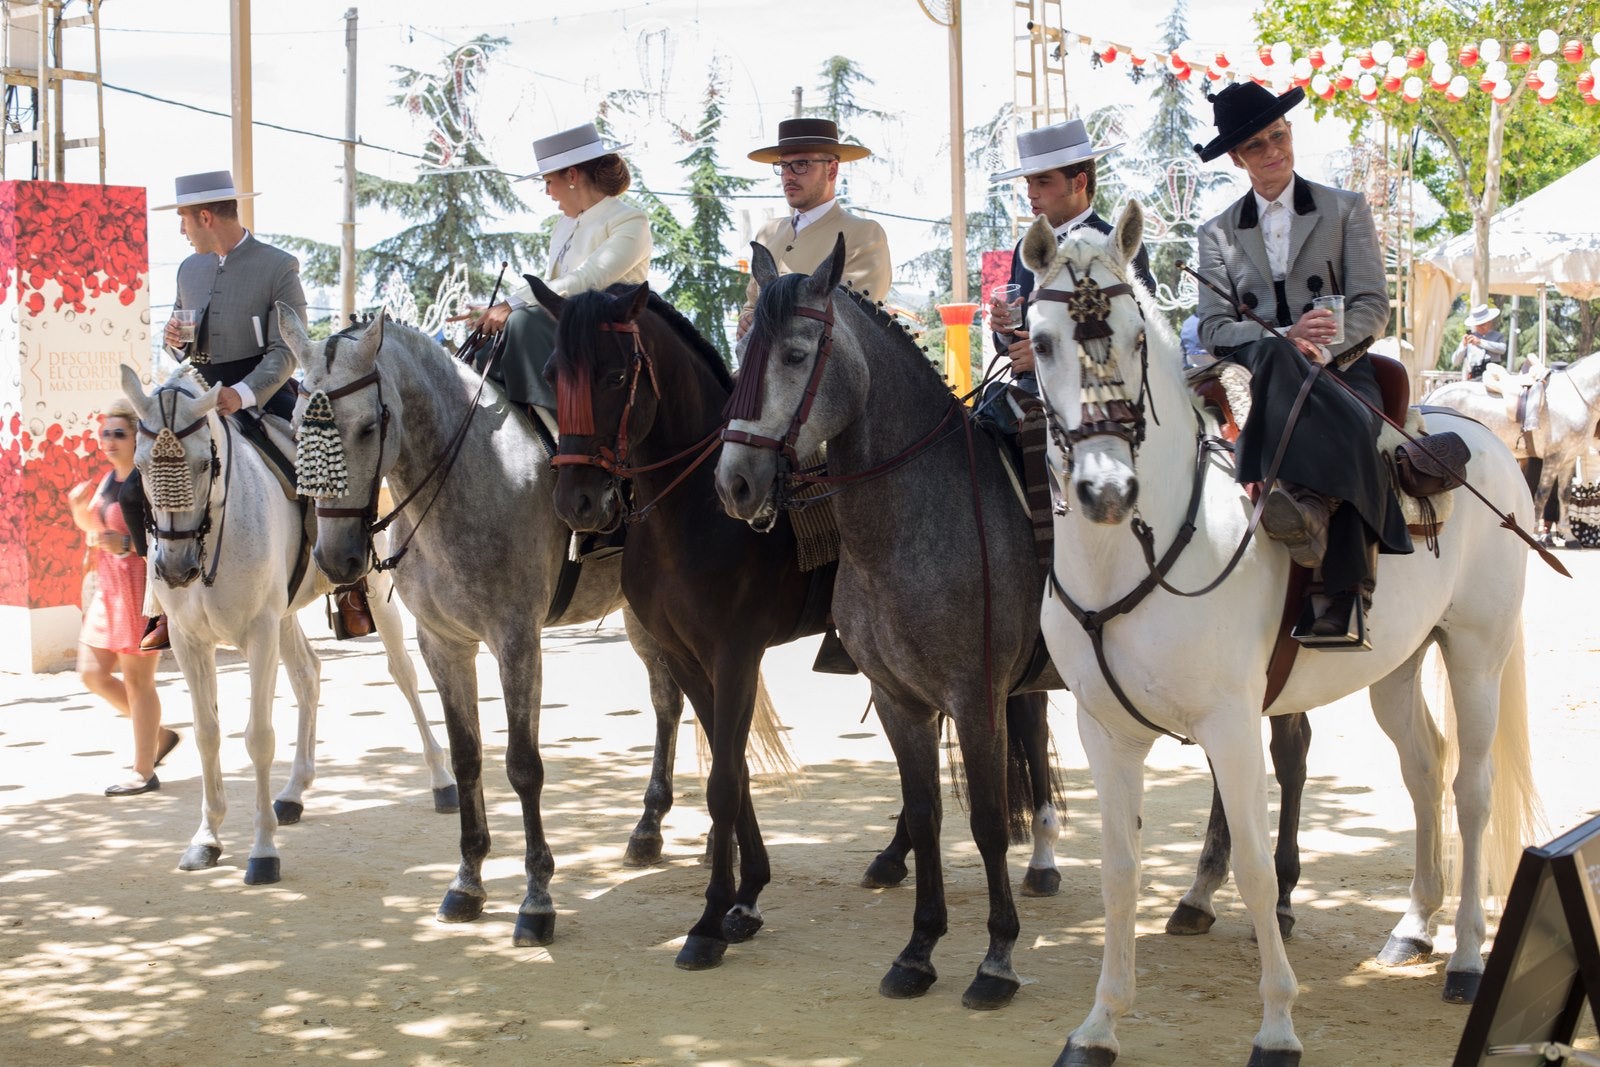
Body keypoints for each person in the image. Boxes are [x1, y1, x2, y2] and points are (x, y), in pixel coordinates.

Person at [1194, 81, 1410, 639]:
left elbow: (1373, 306)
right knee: (1275, 357)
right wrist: (1285, 337)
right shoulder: (1215, 233)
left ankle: (1341, 584)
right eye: (1259, 146)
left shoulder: (1346, 209)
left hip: (1342, 365)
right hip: (1259, 372)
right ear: (1238, 159)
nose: (1274, 151)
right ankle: (1320, 550)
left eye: (1280, 136)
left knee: (1353, 420)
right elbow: (1215, 327)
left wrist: (1324, 345)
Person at [130, 170, 318, 650]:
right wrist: (173, 343)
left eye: (183, 220)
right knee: (139, 481)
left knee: (316, 473)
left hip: (261, 393)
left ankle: (345, 576)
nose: (181, 230)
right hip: (198, 396)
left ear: (205, 216)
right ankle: (164, 603)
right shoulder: (188, 269)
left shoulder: (279, 266)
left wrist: (244, 393)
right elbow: (184, 342)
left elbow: (287, 350)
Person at [474, 121, 651, 413]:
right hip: (567, 322)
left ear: (572, 175)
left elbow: (587, 279)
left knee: (521, 323)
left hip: (608, 330)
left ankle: (561, 422)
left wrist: (512, 305)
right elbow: (551, 285)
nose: (547, 192)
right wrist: (495, 310)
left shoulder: (630, 220)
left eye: (547, 182)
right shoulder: (564, 224)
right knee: (497, 336)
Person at [986, 118, 1156, 392]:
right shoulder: (1024, 249)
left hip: (1096, 401)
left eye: (1043, 181)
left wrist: (1050, 356)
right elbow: (1014, 343)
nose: (1031, 193)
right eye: (1029, 182)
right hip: (1028, 397)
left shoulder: (1116, 244)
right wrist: (1003, 329)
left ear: (1079, 182)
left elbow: (1138, 335)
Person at [69, 400, 181, 796]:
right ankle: (158, 735)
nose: (110, 440)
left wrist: (128, 543)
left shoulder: (145, 480)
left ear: (137, 438)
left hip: (138, 589)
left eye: (120, 433)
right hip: (109, 589)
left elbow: (163, 538)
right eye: (106, 433)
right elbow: (97, 532)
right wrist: (79, 511)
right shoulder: (106, 480)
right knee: (91, 673)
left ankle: (143, 770)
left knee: (138, 683)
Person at [736, 117, 891, 341]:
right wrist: (746, 320)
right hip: (762, 368)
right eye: (783, 166)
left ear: (832, 170)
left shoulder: (863, 234)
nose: (788, 175)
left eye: (801, 165)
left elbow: (853, 319)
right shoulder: (767, 233)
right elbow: (751, 304)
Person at [1450, 303, 1508, 380]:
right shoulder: (1469, 338)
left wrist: (1480, 342)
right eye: (1478, 324)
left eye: (1483, 324)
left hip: (1494, 375)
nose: (1480, 327)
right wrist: (1463, 346)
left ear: (1489, 322)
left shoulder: (1498, 336)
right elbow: (1455, 362)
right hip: (1475, 376)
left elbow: (1502, 349)